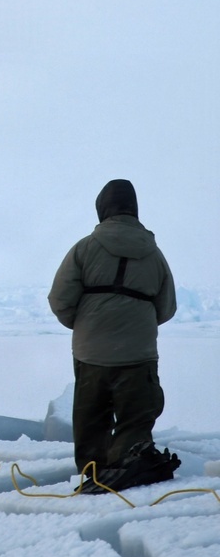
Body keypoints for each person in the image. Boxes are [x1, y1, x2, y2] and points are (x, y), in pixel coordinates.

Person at [48, 178, 179, 491]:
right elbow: (167, 306)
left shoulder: (84, 248)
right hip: (139, 353)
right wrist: (136, 326)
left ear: (102, 209)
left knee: (91, 420)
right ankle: (127, 470)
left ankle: (93, 476)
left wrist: (83, 326)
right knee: (136, 419)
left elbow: (60, 299)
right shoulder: (155, 254)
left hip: (90, 352)